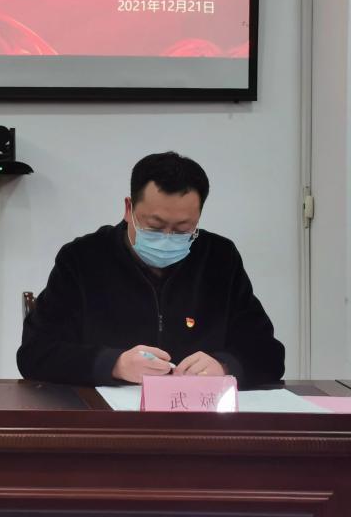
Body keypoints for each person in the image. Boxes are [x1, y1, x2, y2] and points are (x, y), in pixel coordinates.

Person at [17, 151, 284, 388]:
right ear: (129, 209)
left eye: (182, 229)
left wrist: (224, 367)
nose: (167, 238)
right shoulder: (82, 259)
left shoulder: (220, 259)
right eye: (155, 226)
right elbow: (35, 353)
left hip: (200, 417)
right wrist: (114, 364)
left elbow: (269, 354)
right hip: (105, 418)